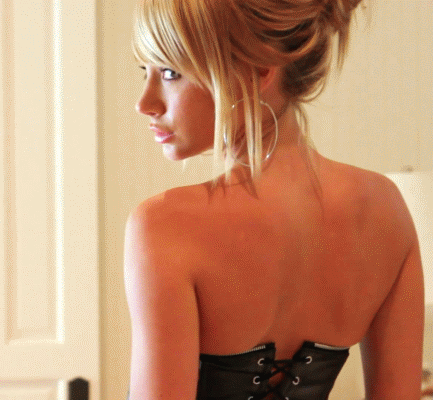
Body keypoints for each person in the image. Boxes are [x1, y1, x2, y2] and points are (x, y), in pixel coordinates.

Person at [124, 0, 425, 399]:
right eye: (144, 71)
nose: (145, 103)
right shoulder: (385, 208)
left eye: (170, 73)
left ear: (258, 69)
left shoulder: (164, 225)